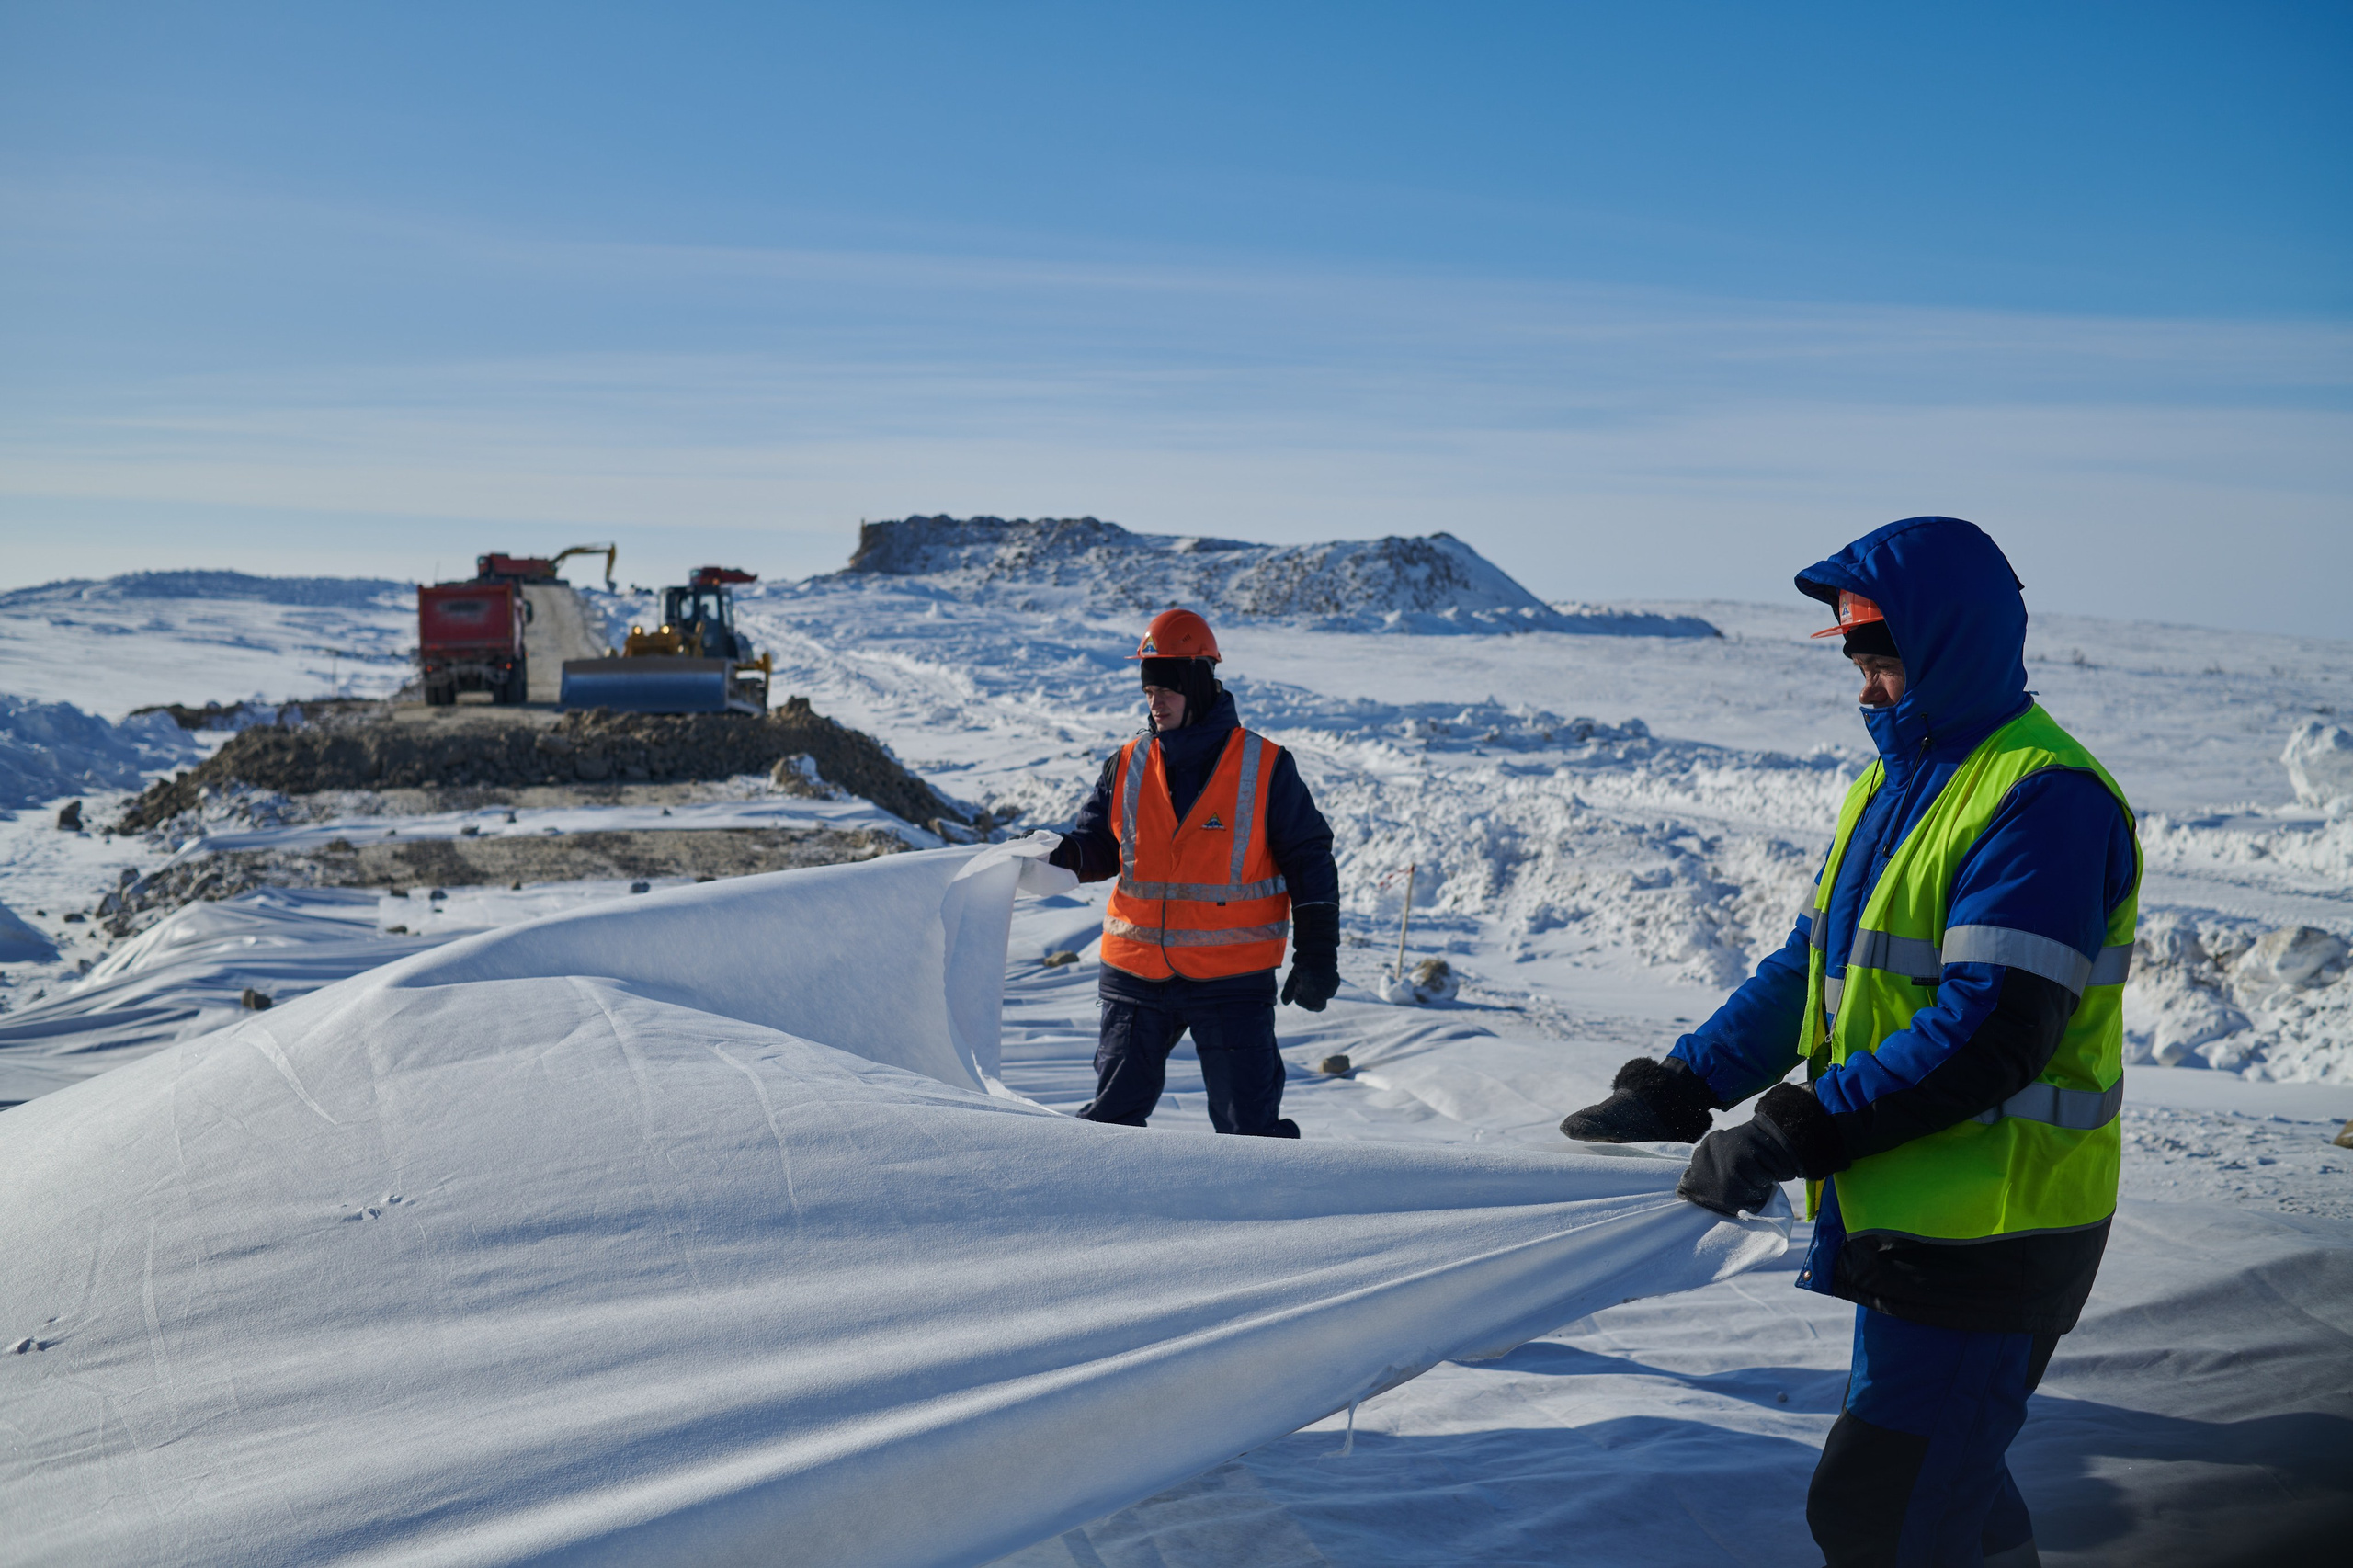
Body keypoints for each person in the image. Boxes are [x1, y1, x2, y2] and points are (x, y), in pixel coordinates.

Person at [1558, 517, 2139, 1568]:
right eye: (1858, 660)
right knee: (1948, 1497)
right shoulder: (1897, 781)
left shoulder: (2041, 799)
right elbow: (1808, 966)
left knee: (1884, 1515)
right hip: (1915, 1221)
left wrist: (1796, 1129)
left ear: (1951, 642)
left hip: (1991, 1236)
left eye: (1881, 659)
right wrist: (1686, 1082)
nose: (1864, 686)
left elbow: (1992, 1028)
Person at [1048, 608, 1342, 1136]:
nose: (1154, 703)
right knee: (1109, 1125)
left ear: (1199, 685)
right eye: (1148, 691)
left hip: (1231, 979)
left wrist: (1318, 954)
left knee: (1249, 1130)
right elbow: (1099, 845)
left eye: (1167, 688)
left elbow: (1310, 859)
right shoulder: (1127, 762)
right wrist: (1055, 853)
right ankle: (1101, 1219)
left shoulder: (1265, 766)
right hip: (1134, 973)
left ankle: (1265, 1221)